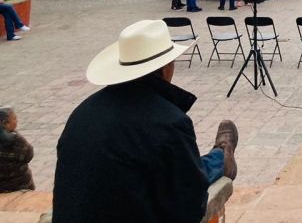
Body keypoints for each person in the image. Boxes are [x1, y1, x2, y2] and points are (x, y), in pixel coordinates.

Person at [53, 20, 238, 221]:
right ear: (168, 67)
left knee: (178, 171)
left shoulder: (81, 114)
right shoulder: (170, 123)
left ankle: (220, 156)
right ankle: (220, 156)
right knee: (190, 174)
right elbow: (190, 207)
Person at [0, 106, 34, 192]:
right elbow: (28, 156)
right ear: (5, 123)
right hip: (20, 184)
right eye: (14, 119)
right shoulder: (17, 140)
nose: (17, 121)